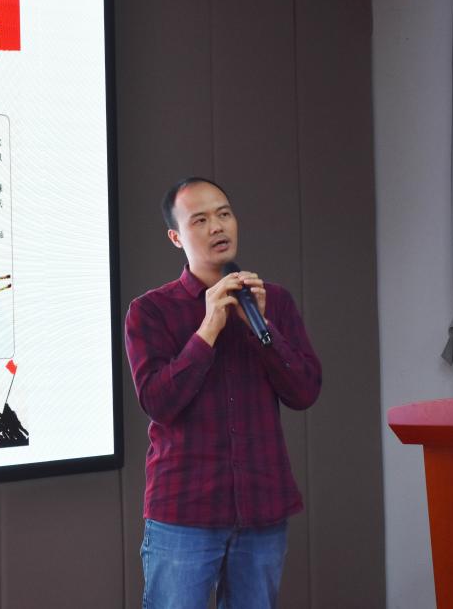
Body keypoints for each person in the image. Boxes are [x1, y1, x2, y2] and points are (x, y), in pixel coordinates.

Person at [124, 177, 321, 609]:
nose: (217, 226)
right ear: (176, 237)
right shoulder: (150, 311)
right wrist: (209, 328)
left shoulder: (274, 302)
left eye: (224, 214)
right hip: (184, 510)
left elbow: (305, 390)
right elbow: (158, 402)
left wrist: (263, 331)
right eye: (200, 220)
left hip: (263, 507)